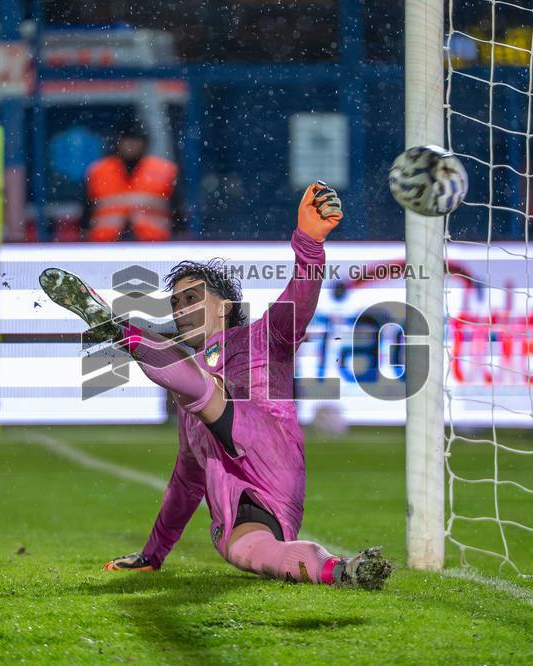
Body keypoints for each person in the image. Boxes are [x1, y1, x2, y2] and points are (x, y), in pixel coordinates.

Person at [39, 182, 393, 589]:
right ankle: (344, 570)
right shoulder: (188, 409)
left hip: (269, 450)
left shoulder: (266, 336)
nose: (180, 310)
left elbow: (302, 294)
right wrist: (151, 556)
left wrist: (309, 243)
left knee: (198, 388)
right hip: (239, 494)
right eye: (174, 304)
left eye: (191, 298)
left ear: (224, 306)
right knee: (248, 552)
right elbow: (185, 485)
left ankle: (120, 330)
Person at [84, 124, 179, 242]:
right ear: (118, 142)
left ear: (144, 143)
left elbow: (178, 212)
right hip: (105, 246)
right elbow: (85, 213)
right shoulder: (98, 171)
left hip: (154, 245)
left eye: (135, 140)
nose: (131, 144)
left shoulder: (165, 170)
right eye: (126, 139)